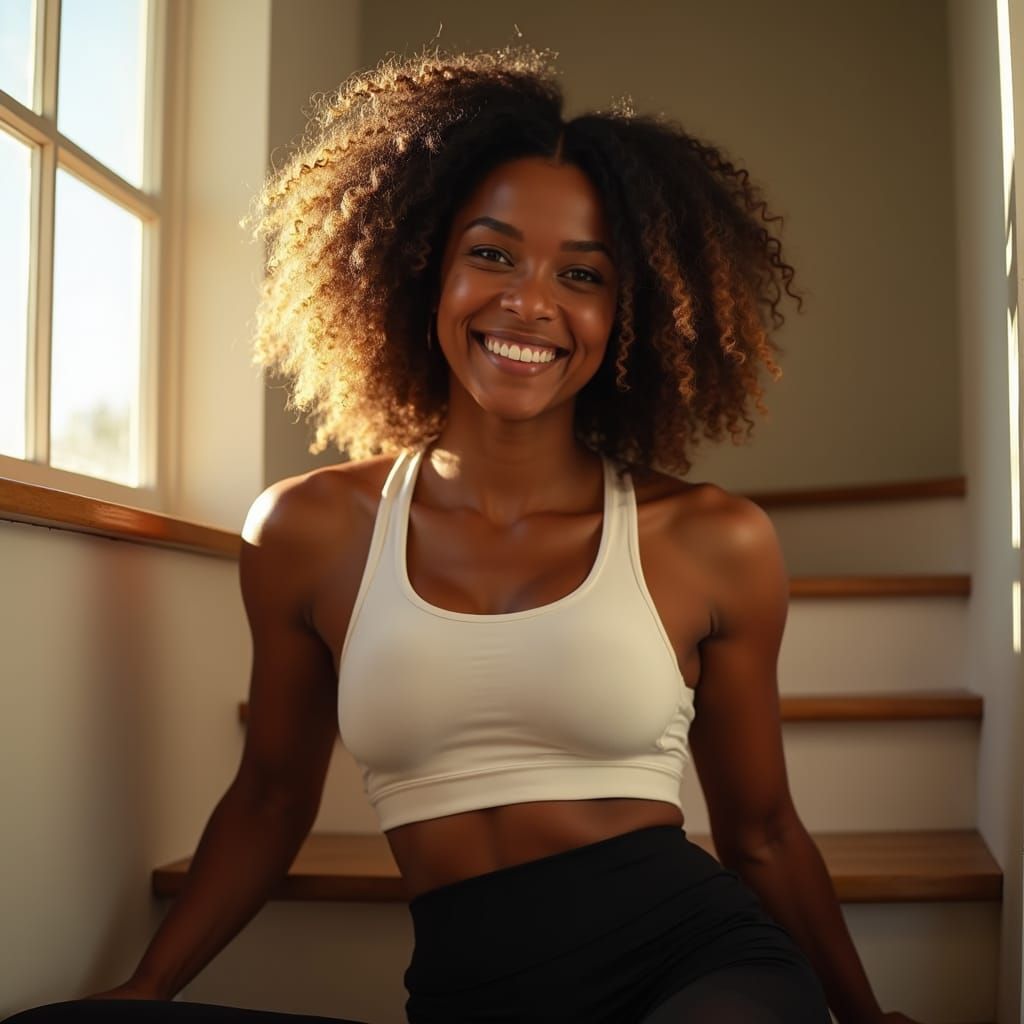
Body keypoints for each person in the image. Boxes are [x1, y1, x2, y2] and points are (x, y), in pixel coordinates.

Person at [5, 43, 925, 1024]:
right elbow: (271, 799)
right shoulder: (309, 530)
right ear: (422, 268)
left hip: (696, 972)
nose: (529, 301)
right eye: (491, 254)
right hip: (467, 997)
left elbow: (764, 832)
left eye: (582, 274)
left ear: (626, 317)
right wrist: (148, 988)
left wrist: (864, 1019)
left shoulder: (709, 539)